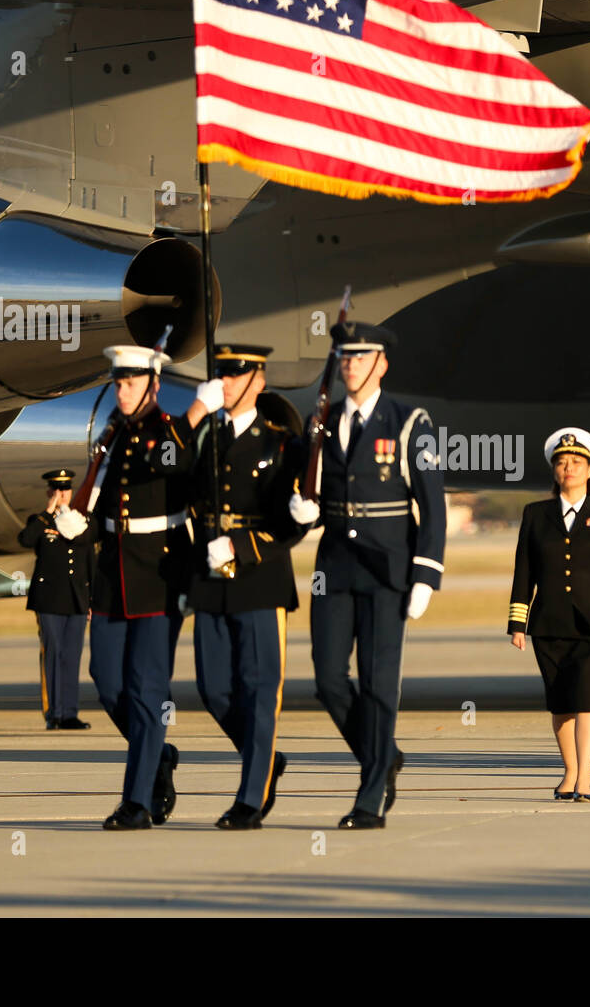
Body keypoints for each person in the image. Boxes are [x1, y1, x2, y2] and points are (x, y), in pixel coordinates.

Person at [290, 320, 446, 830]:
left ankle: (371, 791)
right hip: (334, 568)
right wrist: (300, 511)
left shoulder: (407, 421)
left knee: (380, 684)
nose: (351, 365)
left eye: (361, 357)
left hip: (388, 569)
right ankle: (383, 754)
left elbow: (432, 505)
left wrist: (426, 572)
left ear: (381, 363)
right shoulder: (322, 421)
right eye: (345, 358)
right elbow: (308, 491)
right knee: (328, 679)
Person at [169, 344, 305, 829]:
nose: (225, 382)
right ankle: (264, 757)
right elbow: (166, 468)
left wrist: (242, 547)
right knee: (213, 689)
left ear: (259, 381)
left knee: (259, 689)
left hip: (259, 577)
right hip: (209, 577)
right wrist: (195, 411)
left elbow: (294, 522)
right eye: (221, 374)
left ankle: (251, 797)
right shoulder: (203, 436)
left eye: (236, 374)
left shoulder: (282, 445)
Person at [85, 345, 190, 830]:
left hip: (157, 573)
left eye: (131, 383)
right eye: (119, 383)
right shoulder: (111, 433)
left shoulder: (168, 434)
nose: (122, 391)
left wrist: (195, 413)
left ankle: (137, 801)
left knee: (147, 691)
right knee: (108, 683)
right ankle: (159, 754)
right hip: (112, 575)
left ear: (153, 386)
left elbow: (166, 464)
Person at [508, 428, 590, 801]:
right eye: (562, 463)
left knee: (588, 700)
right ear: (554, 470)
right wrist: (518, 622)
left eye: (576, 462)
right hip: (549, 623)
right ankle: (570, 772)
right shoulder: (535, 515)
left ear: (589, 468)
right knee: (561, 703)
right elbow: (524, 571)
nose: (569, 468)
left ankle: (586, 778)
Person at [17, 469, 94, 731]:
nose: (62, 495)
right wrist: (48, 512)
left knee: (72, 656)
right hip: (49, 599)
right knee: (53, 654)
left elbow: (89, 560)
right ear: (50, 492)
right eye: (57, 490)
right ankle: (54, 713)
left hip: (76, 599)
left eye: (66, 490)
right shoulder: (39, 520)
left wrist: (92, 598)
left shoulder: (81, 521)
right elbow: (26, 539)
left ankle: (70, 713)